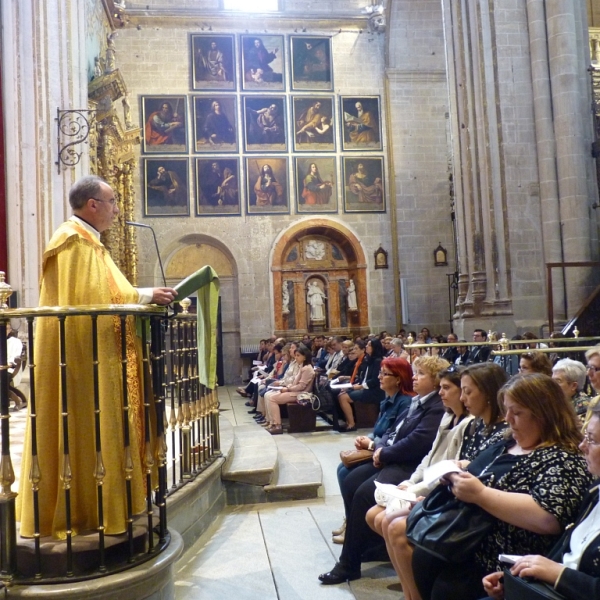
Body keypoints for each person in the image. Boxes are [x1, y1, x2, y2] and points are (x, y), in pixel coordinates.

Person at [17, 176, 177, 539]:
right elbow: (97, 297)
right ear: (92, 204)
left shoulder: (90, 243)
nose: (117, 209)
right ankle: (88, 511)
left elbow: (107, 292)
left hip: (94, 350)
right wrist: (147, 295)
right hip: (82, 358)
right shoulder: (74, 242)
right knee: (86, 423)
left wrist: (145, 295)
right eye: (112, 201)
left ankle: (115, 501)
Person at [410, 373, 592, 600]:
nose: (508, 419)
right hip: (462, 544)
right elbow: (477, 469)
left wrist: (480, 494)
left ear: (545, 415)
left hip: (503, 564)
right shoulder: (508, 439)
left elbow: (549, 516)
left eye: (517, 413)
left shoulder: (563, 456)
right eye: (506, 410)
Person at [382, 363, 509, 600]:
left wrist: (430, 496)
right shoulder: (474, 425)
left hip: (474, 513)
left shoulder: (502, 433)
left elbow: (484, 480)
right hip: (454, 498)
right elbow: (439, 461)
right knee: (388, 518)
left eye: (468, 392)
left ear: (490, 393)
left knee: (397, 526)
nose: (462, 398)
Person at [318, 355, 450, 585]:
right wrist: (379, 448)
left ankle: (349, 564)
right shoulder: (420, 400)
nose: (414, 377)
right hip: (396, 458)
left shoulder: (435, 407)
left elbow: (417, 442)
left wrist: (383, 452)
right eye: (415, 372)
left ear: (437, 381)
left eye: (420, 374)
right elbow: (394, 430)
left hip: (408, 464)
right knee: (349, 479)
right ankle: (367, 543)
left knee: (363, 494)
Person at [482, 401, 600, 600]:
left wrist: (558, 575)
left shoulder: (564, 461)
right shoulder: (595, 491)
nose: (582, 446)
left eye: (592, 440)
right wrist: (522, 576)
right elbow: (566, 554)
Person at [332, 357, 416, 544]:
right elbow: (381, 429)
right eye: (380, 373)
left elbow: (396, 436)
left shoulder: (405, 403)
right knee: (342, 470)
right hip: (377, 448)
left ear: (399, 378)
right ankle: (350, 520)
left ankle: (356, 529)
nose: (380, 377)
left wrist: (372, 445)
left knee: (352, 479)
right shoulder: (387, 400)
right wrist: (368, 438)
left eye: (385, 374)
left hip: (389, 456)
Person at [263, 345, 315, 435]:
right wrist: (287, 387)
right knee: (268, 395)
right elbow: (295, 382)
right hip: (295, 391)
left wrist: (287, 389)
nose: (296, 357)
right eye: (296, 355)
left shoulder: (307, 369)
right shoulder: (302, 367)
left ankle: (277, 425)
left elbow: (301, 386)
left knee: (272, 398)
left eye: (298, 355)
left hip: (301, 394)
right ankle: (271, 422)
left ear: (305, 357)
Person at [337, 339, 386, 431]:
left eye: (369, 345)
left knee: (343, 397)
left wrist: (360, 386)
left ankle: (351, 424)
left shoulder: (378, 361)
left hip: (375, 391)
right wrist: (353, 386)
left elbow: (375, 380)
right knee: (342, 392)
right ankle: (348, 421)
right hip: (366, 387)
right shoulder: (368, 359)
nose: (367, 347)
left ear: (374, 348)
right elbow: (363, 377)